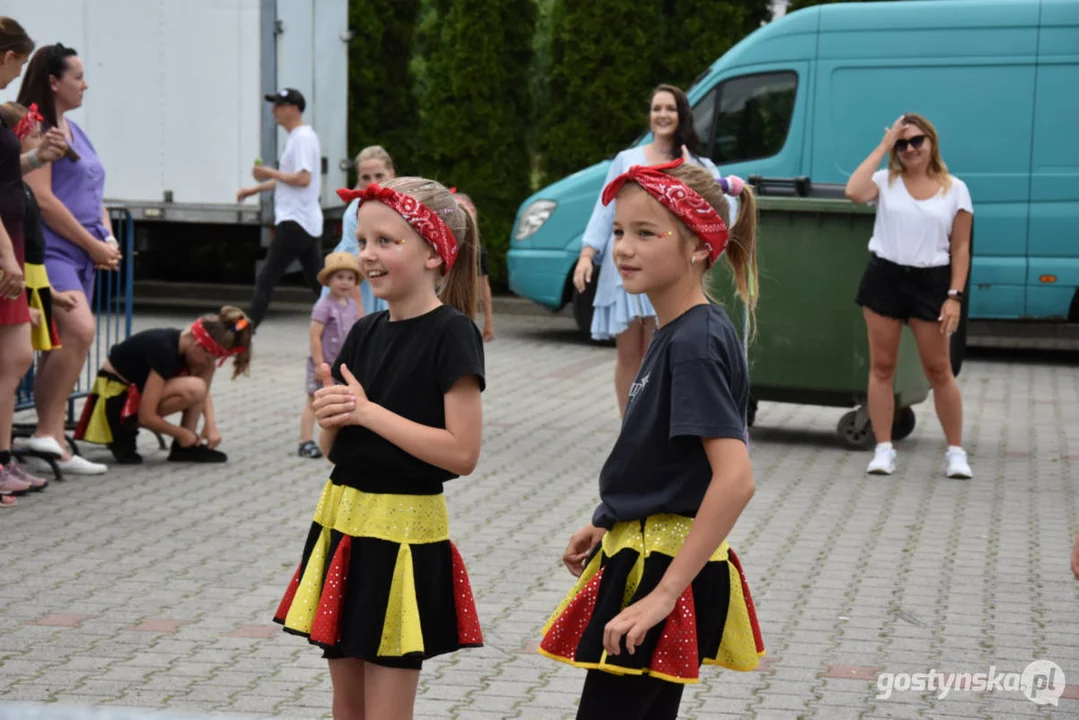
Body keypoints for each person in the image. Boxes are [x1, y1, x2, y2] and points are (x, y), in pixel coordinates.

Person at [538, 158, 764, 719]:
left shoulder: (694, 342)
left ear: (697, 246)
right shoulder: (677, 332)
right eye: (617, 232)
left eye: (645, 233)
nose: (623, 249)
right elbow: (668, 462)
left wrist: (663, 595)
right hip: (643, 550)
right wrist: (608, 517)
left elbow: (734, 480)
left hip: (662, 569)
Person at [273, 177, 484, 720]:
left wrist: (367, 412)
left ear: (436, 252)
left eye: (386, 241)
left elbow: (462, 452)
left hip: (402, 535)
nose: (368, 255)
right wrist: (330, 417)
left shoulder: (452, 334)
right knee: (348, 707)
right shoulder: (364, 331)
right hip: (343, 523)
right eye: (363, 241)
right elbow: (335, 448)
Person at [573, 84, 721, 416]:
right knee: (629, 353)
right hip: (625, 267)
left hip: (666, 268)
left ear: (682, 114)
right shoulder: (627, 160)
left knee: (663, 349)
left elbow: (718, 209)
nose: (662, 115)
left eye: (670, 108)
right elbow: (605, 208)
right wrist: (587, 254)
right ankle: (631, 426)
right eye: (656, 109)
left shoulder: (698, 164)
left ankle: (659, 421)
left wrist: (689, 170)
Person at [846, 113, 973, 479]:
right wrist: (882, 146)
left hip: (931, 282)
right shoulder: (885, 182)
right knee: (882, 367)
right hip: (885, 276)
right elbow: (854, 192)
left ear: (931, 142)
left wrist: (954, 295)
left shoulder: (956, 189)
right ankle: (884, 448)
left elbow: (961, 247)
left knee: (939, 369)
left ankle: (955, 452)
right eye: (902, 144)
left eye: (917, 140)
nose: (910, 149)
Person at [17, 42, 120, 476]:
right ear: (54, 82)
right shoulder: (34, 127)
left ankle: (55, 438)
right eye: (77, 76)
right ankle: (45, 429)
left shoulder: (75, 130)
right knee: (78, 329)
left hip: (83, 251)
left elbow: (93, 192)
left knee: (67, 340)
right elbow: (42, 198)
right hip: (54, 249)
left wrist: (108, 238)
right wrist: (92, 244)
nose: (85, 83)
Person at [0, 18, 61, 505]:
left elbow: (6, 171)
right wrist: (5, 253)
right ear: (7, 57)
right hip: (5, 243)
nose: (17, 72)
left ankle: (2, 460)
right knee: (13, 357)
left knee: (15, 356)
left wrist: (36, 158)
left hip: (12, 237)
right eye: (18, 61)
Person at [73, 306, 253, 465]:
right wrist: (181, 433)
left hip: (135, 394)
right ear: (199, 345)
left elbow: (204, 391)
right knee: (194, 387)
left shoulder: (188, 348)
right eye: (209, 357)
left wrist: (211, 425)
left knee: (199, 384)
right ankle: (124, 429)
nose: (210, 362)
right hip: (115, 402)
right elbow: (147, 416)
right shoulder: (164, 351)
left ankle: (184, 450)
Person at [238, 88, 323, 329]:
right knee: (319, 283)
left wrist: (267, 172)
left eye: (279, 105)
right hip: (306, 221)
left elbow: (303, 178)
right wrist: (254, 189)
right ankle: (349, 322)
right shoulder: (299, 137)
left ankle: (245, 334)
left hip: (295, 220)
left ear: (294, 109)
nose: (273, 109)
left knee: (266, 277)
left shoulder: (303, 138)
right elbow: (291, 178)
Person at [0, 102, 78, 353]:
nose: (40, 141)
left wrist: (51, 292)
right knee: (15, 359)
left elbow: (31, 252)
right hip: (15, 283)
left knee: (19, 361)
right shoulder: (14, 194)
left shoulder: (23, 190)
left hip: (27, 280)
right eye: (34, 136)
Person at [322, 145, 398, 315]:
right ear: (358, 179)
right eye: (366, 177)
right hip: (359, 282)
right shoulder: (355, 210)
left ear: (391, 174)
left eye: (379, 175)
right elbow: (352, 260)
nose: (373, 183)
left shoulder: (403, 205)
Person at [299, 252, 361, 459]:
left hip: (341, 366)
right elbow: (315, 335)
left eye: (350, 278)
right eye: (339, 277)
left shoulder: (352, 305)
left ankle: (335, 440)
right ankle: (305, 441)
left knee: (337, 401)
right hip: (323, 364)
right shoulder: (323, 306)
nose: (345, 283)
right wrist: (319, 363)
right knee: (313, 402)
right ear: (328, 280)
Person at [452, 190, 494, 341]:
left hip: (464, 308)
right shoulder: (440, 248)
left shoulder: (476, 251)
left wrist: (488, 322)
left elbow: (484, 287)